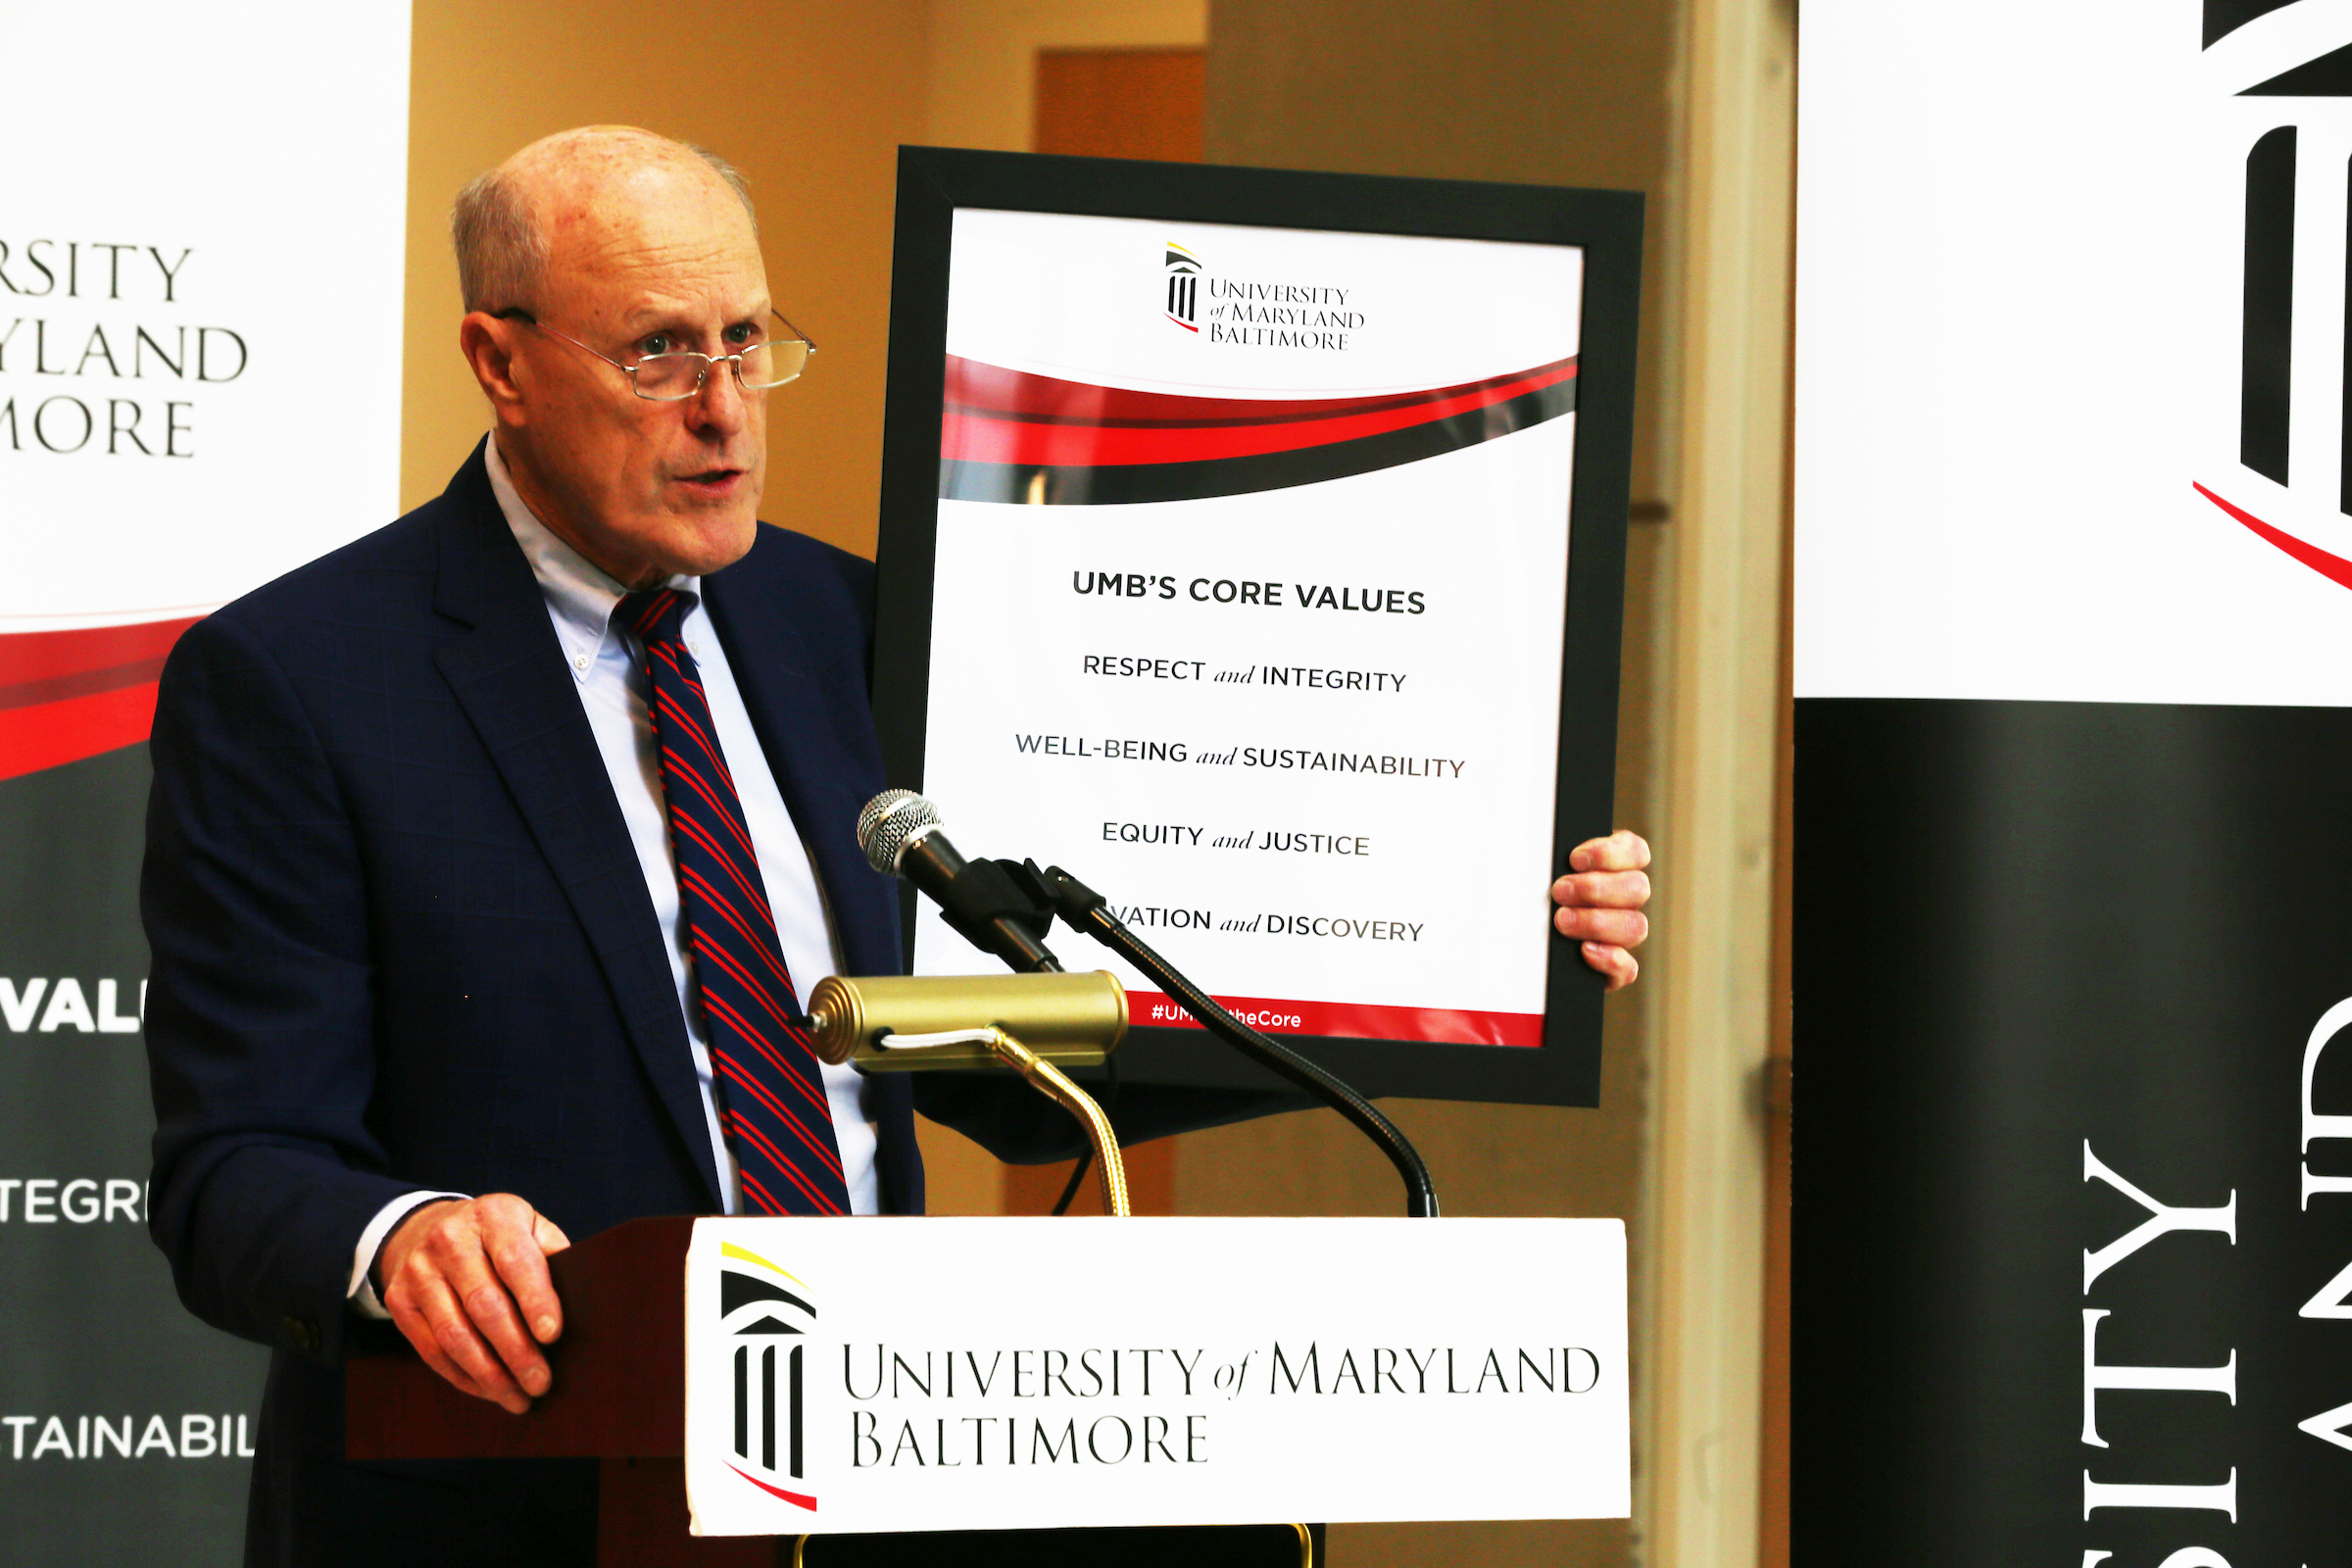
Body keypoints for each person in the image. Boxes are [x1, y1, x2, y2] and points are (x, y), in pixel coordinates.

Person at [140, 126, 1652, 1566]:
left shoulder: (855, 629)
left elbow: (1038, 1068)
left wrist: (1460, 949)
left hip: (866, 1504)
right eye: (659, 351)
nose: (726, 408)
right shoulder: (306, 681)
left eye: (748, 342)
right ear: (500, 362)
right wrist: (400, 1238)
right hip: (510, 1512)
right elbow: (234, 1170)